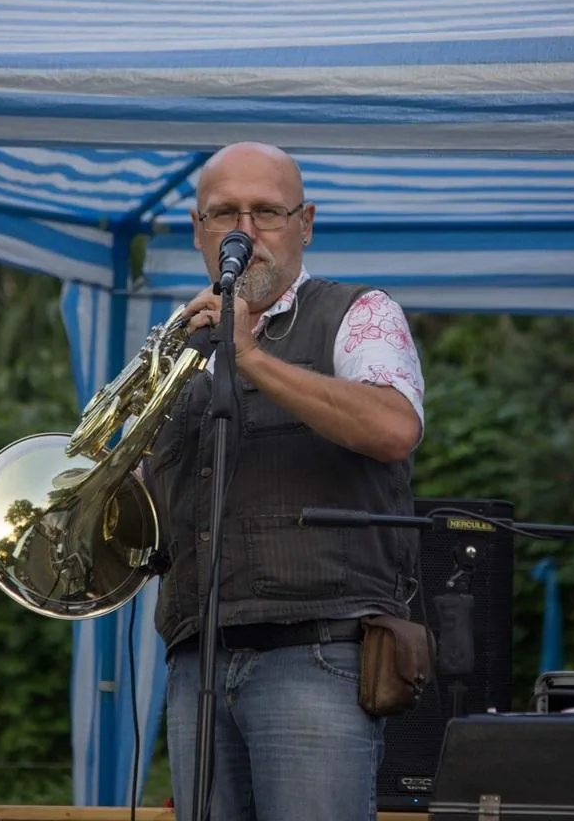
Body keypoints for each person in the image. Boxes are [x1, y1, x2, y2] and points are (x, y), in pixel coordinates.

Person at [147, 142, 425, 821]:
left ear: (305, 223)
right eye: (224, 214)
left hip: (316, 653)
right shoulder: (177, 345)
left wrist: (246, 356)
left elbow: (392, 428)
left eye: (266, 212)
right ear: (197, 229)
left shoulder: (361, 313)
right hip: (197, 657)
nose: (245, 231)